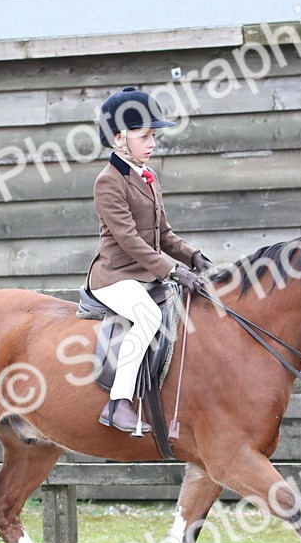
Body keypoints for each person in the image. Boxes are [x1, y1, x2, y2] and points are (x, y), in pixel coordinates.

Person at [85, 86, 213, 433]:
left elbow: (164, 234)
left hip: (146, 274)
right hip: (115, 276)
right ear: (119, 138)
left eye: (154, 136)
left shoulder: (148, 178)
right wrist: (174, 271)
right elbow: (129, 240)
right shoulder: (108, 182)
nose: (152, 143)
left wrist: (194, 257)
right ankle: (117, 403)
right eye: (144, 137)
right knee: (148, 316)